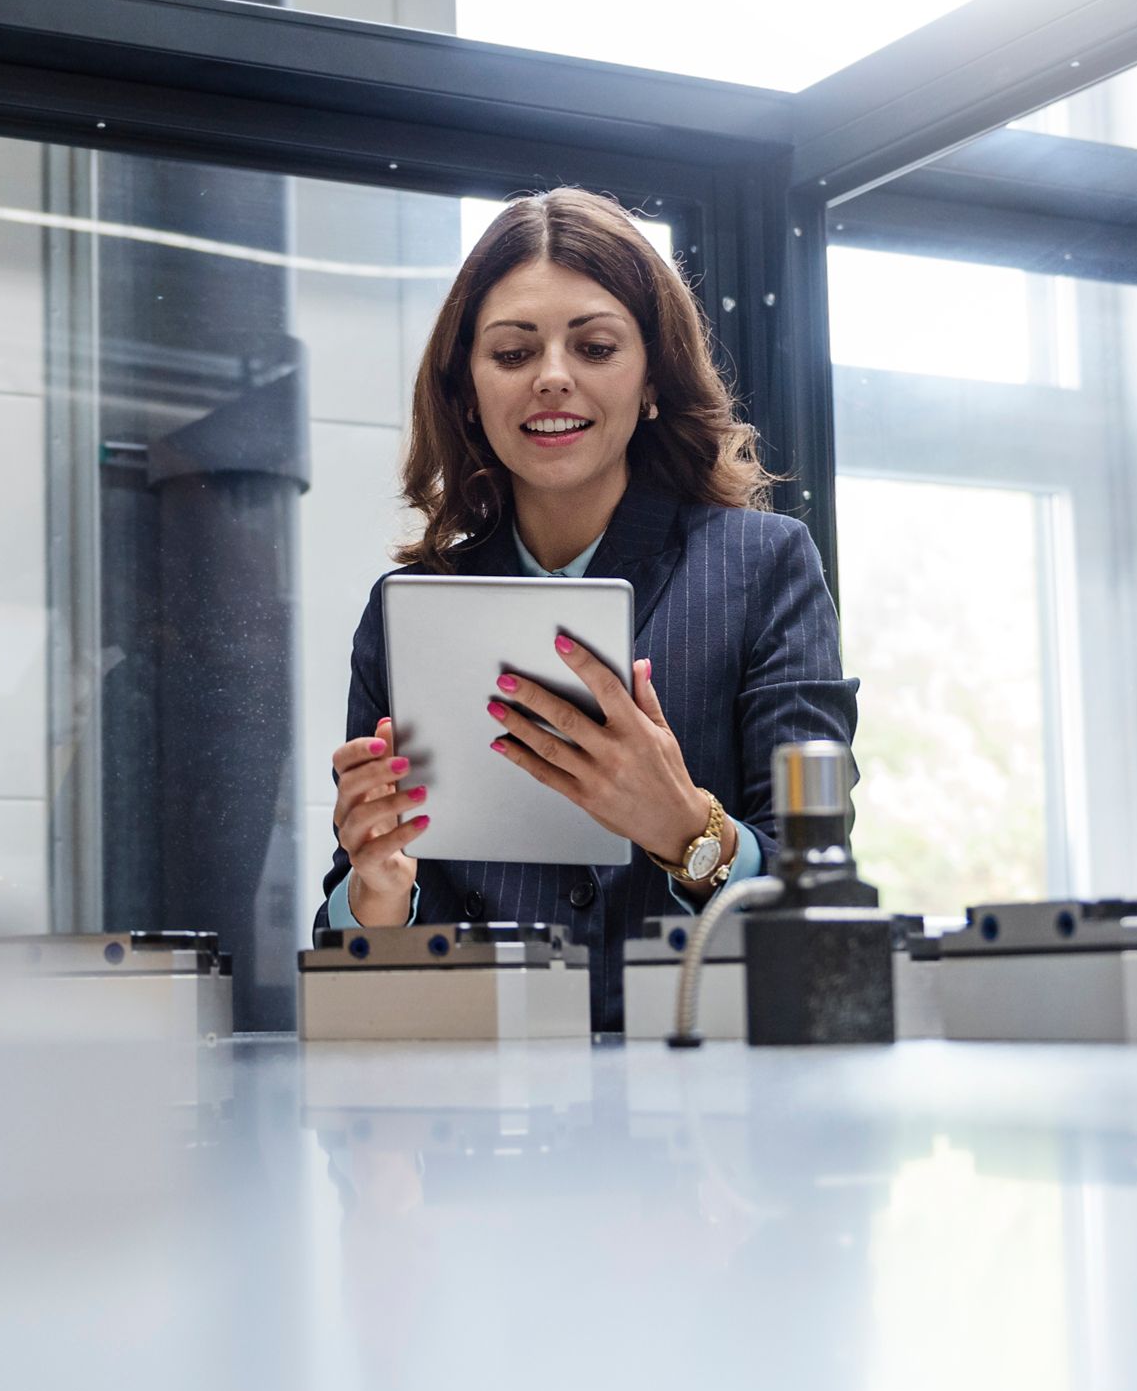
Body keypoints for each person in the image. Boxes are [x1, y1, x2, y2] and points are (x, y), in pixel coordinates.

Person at [317, 187, 860, 1031]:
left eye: (597, 345)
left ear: (651, 380)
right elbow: (360, 972)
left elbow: (821, 900)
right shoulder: (407, 611)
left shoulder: (764, 566)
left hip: (706, 1110)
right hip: (482, 1116)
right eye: (512, 352)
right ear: (467, 391)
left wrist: (685, 827)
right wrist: (377, 888)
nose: (553, 377)